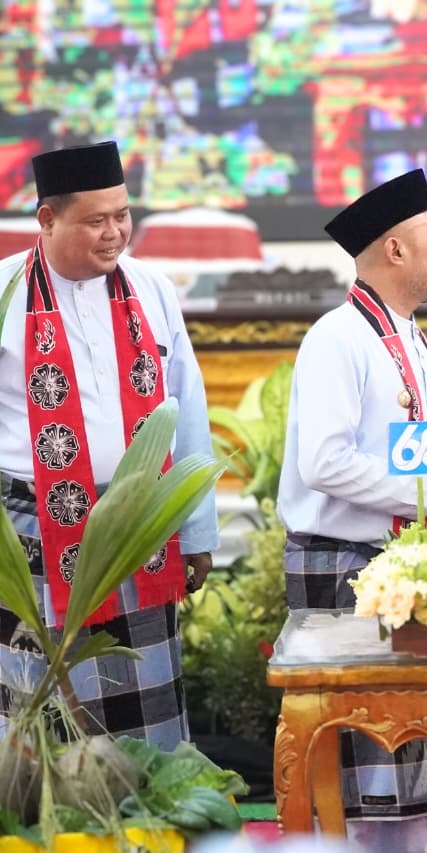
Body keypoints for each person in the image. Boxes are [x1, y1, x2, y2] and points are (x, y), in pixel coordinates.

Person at [277, 169, 427, 851]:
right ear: (395, 248)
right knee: (365, 787)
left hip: (400, 561)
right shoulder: (338, 337)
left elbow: (421, 455)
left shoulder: (408, 335)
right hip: (345, 566)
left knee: (407, 779)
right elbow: (323, 463)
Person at [0, 141, 218, 749]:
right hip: (29, 533)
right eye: (96, 220)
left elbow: (186, 407)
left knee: (143, 725)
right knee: (32, 726)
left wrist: (196, 531)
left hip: (138, 531)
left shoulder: (152, 288)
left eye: (123, 215)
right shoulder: (5, 292)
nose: (115, 232)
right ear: (47, 219)